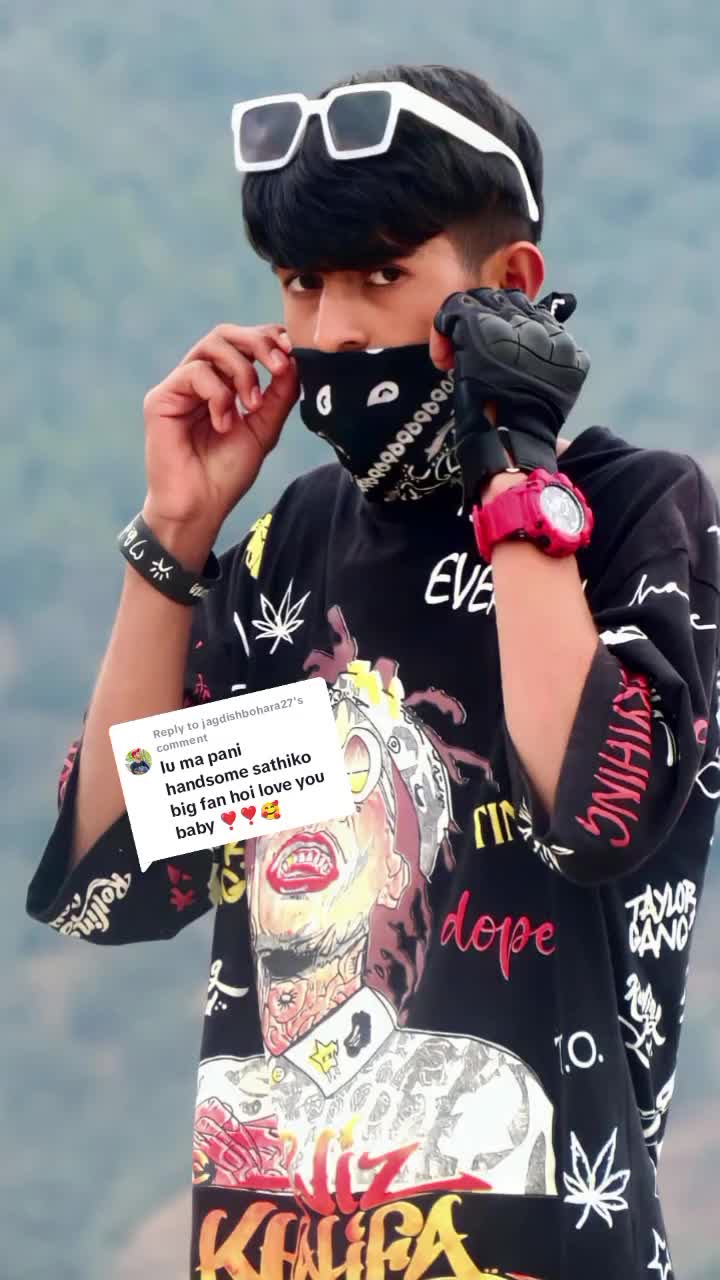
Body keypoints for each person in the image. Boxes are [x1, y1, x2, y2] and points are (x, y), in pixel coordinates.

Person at [26, 62, 720, 1280]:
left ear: (510, 285)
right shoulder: (297, 546)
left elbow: (596, 814)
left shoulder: (635, 512)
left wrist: (515, 463)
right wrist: (174, 539)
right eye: (303, 284)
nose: (334, 328)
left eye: (380, 277)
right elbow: (117, 883)